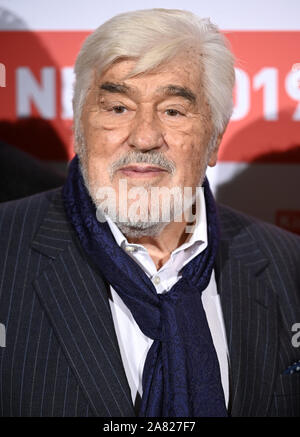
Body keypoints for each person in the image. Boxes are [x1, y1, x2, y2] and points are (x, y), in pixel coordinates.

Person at [0, 8, 299, 418]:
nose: (143, 136)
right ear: (79, 129)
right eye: (117, 108)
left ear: (214, 141)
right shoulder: (4, 248)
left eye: (173, 110)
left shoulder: (289, 265)